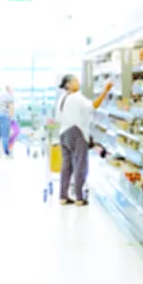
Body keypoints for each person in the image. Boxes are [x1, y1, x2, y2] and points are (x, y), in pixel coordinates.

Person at [55, 74, 113, 206]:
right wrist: (105, 91)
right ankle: (79, 198)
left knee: (66, 166)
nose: (78, 83)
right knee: (81, 165)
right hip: (77, 132)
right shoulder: (76, 97)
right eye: (75, 81)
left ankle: (63, 196)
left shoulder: (62, 98)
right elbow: (93, 106)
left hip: (63, 133)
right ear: (68, 85)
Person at [0, 85, 15, 157]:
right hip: (3, 116)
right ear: (9, 90)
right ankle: (7, 153)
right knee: (5, 136)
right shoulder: (10, 96)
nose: (12, 91)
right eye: (12, 89)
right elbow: (11, 109)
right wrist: (11, 118)